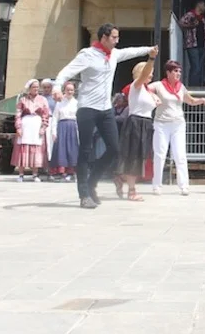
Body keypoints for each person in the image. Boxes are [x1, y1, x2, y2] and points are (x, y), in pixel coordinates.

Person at [51, 23, 158, 208]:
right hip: (87, 107)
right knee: (85, 150)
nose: (117, 41)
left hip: (105, 108)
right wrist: (56, 87)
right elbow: (66, 72)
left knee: (114, 149)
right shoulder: (87, 54)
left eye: (117, 37)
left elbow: (130, 52)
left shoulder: (114, 54)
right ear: (104, 38)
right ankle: (84, 194)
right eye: (114, 37)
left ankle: (92, 181)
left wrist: (149, 50)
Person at [150, 60, 205, 196]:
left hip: (178, 123)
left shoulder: (181, 87)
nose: (178, 74)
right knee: (160, 154)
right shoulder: (158, 85)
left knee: (180, 154)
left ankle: (184, 185)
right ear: (168, 72)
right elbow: (144, 88)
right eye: (175, 71)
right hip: (162, 123)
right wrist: (153, 96)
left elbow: (190, 100)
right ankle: (157, 185)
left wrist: (202, 100)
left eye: (180, 71)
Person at [117, 59, 158, 201]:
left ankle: (120, 176)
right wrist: (151, 59)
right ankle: (131, 190)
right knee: (133, 157)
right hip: (136, 122)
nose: (151, 75)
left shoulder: (147, 91)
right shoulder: (136, 85)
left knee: (141, 157)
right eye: (149, 72)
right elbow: (144, 75)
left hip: (146, 123)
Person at [13, 79, 50, 182]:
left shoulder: (43, 100)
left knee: (36, 149)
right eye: (34, 87)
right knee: (23, 148)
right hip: (26, 125)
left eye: (37, 87)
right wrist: (18, 127)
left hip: (37, 125)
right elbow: (18, 114)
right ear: (29, 88)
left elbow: (46, 114)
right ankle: (21, 174)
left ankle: (35, 174)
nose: (36, 89)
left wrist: (43, 127)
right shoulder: (23, 100)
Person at [49, 82, 79, 181]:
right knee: (61, 149)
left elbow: (78, 118)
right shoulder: (60, 102)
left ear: (74, 91)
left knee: (72, 149)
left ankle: (71, 172)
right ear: (64, 90)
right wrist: (54, 132)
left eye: (71, 90)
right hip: (62, 127)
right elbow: (55, 117)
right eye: (68, 90)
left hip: (73, 127)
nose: (69, 92)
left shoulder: (76, 103)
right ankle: (61, 172)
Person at [177, 1, 205, 87]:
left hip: (202, 45)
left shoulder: (202, 18)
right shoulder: (190, 15)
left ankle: (199, 85)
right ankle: (193, 86)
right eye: (204, 5)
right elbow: (181, 23)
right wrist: (191, 25)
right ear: (199, 5)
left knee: (200, 67)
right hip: (192, 45)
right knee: (195, 67)